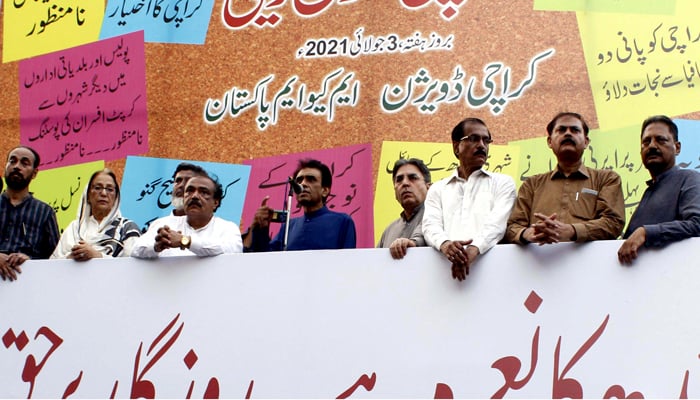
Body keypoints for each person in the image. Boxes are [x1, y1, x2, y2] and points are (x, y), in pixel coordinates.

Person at [505, 112, 625, 245]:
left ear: (586, 142)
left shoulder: (606, 179)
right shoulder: (531, 185)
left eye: (575, 130)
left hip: (590, 263)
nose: (568, 133)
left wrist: (572, 231)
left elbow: (614, 223)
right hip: (538, 261)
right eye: (561, 130)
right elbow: (512, 227)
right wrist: (528, 233)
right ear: (550, 142)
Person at [422, 117, 516, 281]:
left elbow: (497, 225)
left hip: (493, 273)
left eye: (486, 141)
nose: (481, 145)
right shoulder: (437, 188)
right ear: (456, 146)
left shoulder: (503, 183)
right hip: (443, 275)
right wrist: (445, 245)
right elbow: (430, 225)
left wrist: (473, 249)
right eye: (473, 139)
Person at [618, 115, 700, 264]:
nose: (652, 146)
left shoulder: (689, 179)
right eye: (646, 141)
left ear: (677, 147)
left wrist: (646, 232)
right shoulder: (650, 191)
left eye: (660, 140)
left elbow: (697, 223)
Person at [244, 158, 356, 251]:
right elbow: (267, 263)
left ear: (325, 190)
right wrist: (261, 229)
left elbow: (347, 265)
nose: (303, 184)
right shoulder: (288, 227)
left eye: (311, 180)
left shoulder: (342, 222)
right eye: (299, 180)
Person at [131, 172, 242, 258]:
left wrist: (185, 241)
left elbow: (232, 251)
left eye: (203, 192)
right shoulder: (164, 224)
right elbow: (135, 250)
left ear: (215, 202)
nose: (194, 196)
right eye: (189, 191)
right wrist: (156, 247)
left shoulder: (228, 228)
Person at [51, 169, 141, 260]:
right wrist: (71, 258)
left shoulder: (127, 228)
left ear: (116, 198)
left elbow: (134, 266)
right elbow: (53, 266)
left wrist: (97, 256)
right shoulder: (73, 228)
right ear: (88, 196)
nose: (104, 193)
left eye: (110, 189)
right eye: (98, 188)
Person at [0, 146, 59, 281]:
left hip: (28, 285)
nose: (16, 166)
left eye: (24, 163)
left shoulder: (45, 212)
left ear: (34, 173)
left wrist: (30, 261)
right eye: (12, 161)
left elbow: (55, 258)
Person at [377, 158, 431, 259]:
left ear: (429, 187)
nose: (405, 183)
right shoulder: (389, 230)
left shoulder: (438, 216)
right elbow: (375, 264)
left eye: (413, 178)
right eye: (399, 180)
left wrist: (412, 243)